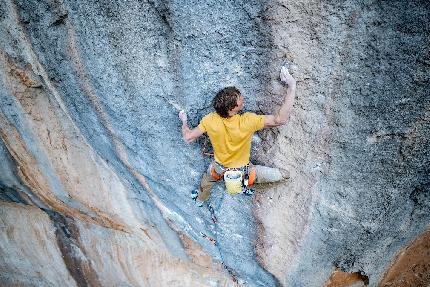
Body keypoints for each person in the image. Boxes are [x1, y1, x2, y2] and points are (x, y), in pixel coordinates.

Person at [179, 66, 296, 205]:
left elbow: (188, 137)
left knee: (207, 180)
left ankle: (199, 200)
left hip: (219, 168)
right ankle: (248, 186)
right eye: (240, 99)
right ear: (232, 108)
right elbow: (280, 119)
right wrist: (291, 87)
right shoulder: (247, 121)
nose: (243, 99)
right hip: (244, 170)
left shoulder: (209, 120)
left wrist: (184, 122)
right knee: (284, 175)